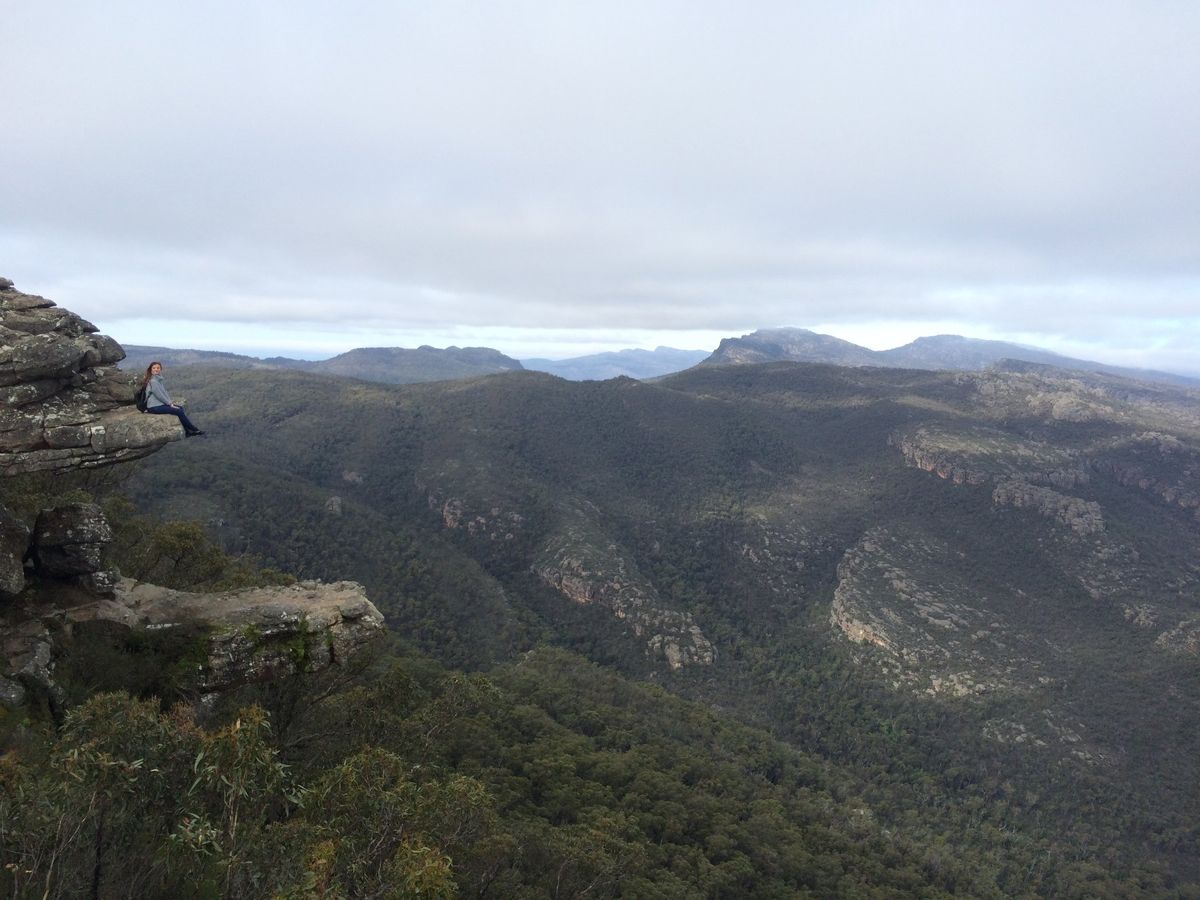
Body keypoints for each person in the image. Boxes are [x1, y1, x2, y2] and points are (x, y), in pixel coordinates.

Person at [141, 362, 205, 436]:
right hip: (153, 407)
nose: (156, 369)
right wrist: (169, 404)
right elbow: (159, 395)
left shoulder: (158, 380)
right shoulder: (153, 381)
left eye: (158, 368)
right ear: (151, 370)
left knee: (180, 408)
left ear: (160, 369)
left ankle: (187, 431)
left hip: (158, 405)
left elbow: (164, 393)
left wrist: (170, 403)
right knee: (178, 411)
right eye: (154, 368)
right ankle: (194, 429)